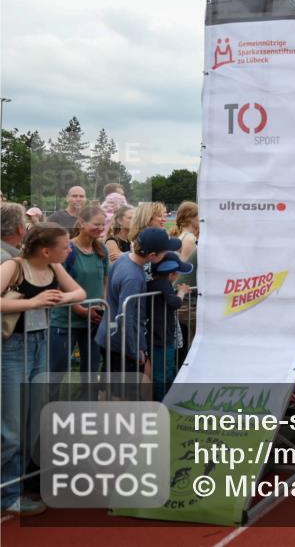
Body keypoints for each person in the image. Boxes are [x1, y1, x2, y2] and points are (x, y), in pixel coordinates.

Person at [1, 223, 85, 516]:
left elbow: (80, 292)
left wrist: (60, 298)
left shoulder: (54, 269)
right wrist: (33, 302)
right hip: (12, 350)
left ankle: (15, 488)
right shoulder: (14, 267)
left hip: (40, 345)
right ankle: (7, 492)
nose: (70, 249)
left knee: (31, 422)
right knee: (11, 427)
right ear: (47, 250)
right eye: (65, 246)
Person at [94, 227, 180, 374]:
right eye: (164, 252)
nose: (166, 254)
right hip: (122, 344)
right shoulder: (132, 277)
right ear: (152, 256)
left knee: (111, 385)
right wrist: (134, 350)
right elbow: (126, 316)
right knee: (121, 393)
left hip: (111, 335)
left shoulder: (124, 257)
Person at [49, 205, 109, 375]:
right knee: (56, 372)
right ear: (82, 223)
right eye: (96, 224)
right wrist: (82, 311)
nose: (100, 228)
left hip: (93, 322)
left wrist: (100, 307)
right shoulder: (68, 250)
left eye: (103, 225)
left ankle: (85, 401)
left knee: (91, 370)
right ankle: (47, 402)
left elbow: (105, 282)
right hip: (65, 322)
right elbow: (60, 286)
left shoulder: (101, 250)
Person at [147, 252, 192, 401]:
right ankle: (163, 401)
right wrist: (181, 293)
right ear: (171, 273)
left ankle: (169, 399)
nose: (178, 275)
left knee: (167, 370)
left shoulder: (156, 283)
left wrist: (177, 292)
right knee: (163, 373)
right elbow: (175, 303)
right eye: (177, 272)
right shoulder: (163, 284)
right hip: (161, 337)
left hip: (160, 335)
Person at [171, 202, 198, 365]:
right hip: (186, 297)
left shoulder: (181, 236)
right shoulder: (189, 238)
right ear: (191, 218)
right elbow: (184, 269)